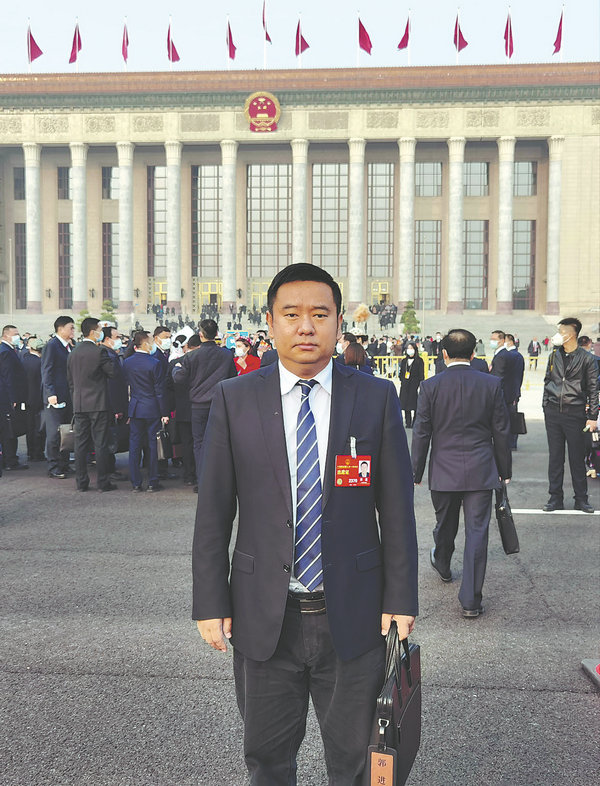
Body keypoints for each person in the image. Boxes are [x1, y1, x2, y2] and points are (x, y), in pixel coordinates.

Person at [192, 263, 418, 784]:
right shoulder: (235, 398)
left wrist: (401, 598)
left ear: (339, 322)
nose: (306, 327)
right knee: (268, 760)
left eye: (320, 314)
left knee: (357, 761)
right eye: (291, 314)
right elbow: (214, 512)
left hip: (355, 612)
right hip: (263, 614)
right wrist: (210, 602)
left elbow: (396, 509)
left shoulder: (375, 397)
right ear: (271, 322)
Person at [411, 329, 512, 618]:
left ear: (443, 354)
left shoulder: (430, 386)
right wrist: (504, 470)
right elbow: (501, 431)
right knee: (477, 533)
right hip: (481, 468)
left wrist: (416, 471)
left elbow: (421, 431)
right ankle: (471, 600)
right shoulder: (491, 384)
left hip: (444, 469)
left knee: (445, 524)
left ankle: (442, 562)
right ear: (473, 353)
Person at [542, 318, 598, 513]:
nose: (558, 334)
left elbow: (593, 388)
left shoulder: (587, 358)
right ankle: (555, 498)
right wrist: (546, 405)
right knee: (555, 458)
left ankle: (581, 499)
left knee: (576, 458)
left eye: (561, 331)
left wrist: (592, 416)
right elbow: (547, 380)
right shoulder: (554, 355)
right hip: (553, 412)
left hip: (575, 413)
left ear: (571, 334)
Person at [172, 319, 236, 489]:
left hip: (198, 405)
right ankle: (220, 481)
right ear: (216, 334)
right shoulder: (226, 355)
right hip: (219, 404)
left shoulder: (192, 356)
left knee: (199, 444)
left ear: (200, 335)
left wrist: (176, 368)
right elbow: (233, 378)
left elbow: (179, 378)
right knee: (220, 443)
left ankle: (203, 481)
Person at [67, 317, 117, 492]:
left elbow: (70, 381)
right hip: (98, 403)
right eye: (100, 330)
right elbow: (112, 372)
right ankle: (102, 482)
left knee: (80, 444)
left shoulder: (73, 352)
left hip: (79, 403)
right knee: (100, 443)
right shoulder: (99, 351)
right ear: (93, 332)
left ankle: (81, 482)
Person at [123, 331, 170, 492]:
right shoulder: (154, 362)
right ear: (145, 344)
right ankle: (152, 481)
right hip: (152, 407)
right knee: (152, 445)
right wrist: (164, 412)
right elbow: (159, 390)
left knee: (134, 445)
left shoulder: (127, 362)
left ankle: (136, 482)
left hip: (135, 407)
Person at [41, 316, 75, 480]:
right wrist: (50, 393)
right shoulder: (52, 346)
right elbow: (47, 371)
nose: (73, 331)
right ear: (61, 329)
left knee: (66, 431)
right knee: (54, 433)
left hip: (68, 395)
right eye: (71, 328)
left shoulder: (69, 346)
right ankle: (53, 466)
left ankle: (64, 463)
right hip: (55, 396)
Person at [170, 333, 200, 487]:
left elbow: (168, 387)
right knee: (201, 443)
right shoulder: (204, 363)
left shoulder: (176, 363)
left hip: (182, 408)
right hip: (201, 407)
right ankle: (200, 474)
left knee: (187, 443)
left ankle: (189, 475)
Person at [101, 326, 129, 480]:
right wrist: (117, 408)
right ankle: (108, 469)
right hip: (111, 404)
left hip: (113, 403)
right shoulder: (108, 356)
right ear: (107, 339)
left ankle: (109, 468)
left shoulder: (112, 354)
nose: (119, 340)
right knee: (109, 438)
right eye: (116, 337)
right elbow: (112, 385)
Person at [0, 325, 29, 470]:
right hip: (7, 398)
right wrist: (13, 398)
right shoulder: (5, 352)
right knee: (9, 429)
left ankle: (10, 458)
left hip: (8, 396)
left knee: (9, 428)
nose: (19, 337)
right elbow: (8, 377)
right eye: (15, 334)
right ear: (6, 335)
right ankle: (10, 460)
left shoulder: (8, 350)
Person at [22, 337, 46, 462]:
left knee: (30, 426)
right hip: (38, 398)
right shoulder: (40, 363)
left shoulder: (23, 360)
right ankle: (38, 452)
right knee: (39, 426)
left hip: (27, 398)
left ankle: (31, 451)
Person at [504, 333, 525, 450]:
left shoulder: (514, 356)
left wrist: (515, 394)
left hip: (510, 393)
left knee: (511, 418)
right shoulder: (513, 355)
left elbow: (516, 377)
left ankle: (511, 442)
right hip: (511, 392)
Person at [399, 341, 425, 428]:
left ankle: (415, 421)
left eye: (411, 348)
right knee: (405, 405)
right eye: (408, 348)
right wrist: (402, 380)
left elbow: (421, 375)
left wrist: (419, 384)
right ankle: (408, 422)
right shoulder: (404, 361)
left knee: (415, 404)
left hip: (414, 385)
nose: (409, 350)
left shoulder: (419, 361)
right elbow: (401, 373)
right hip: (405, 385)